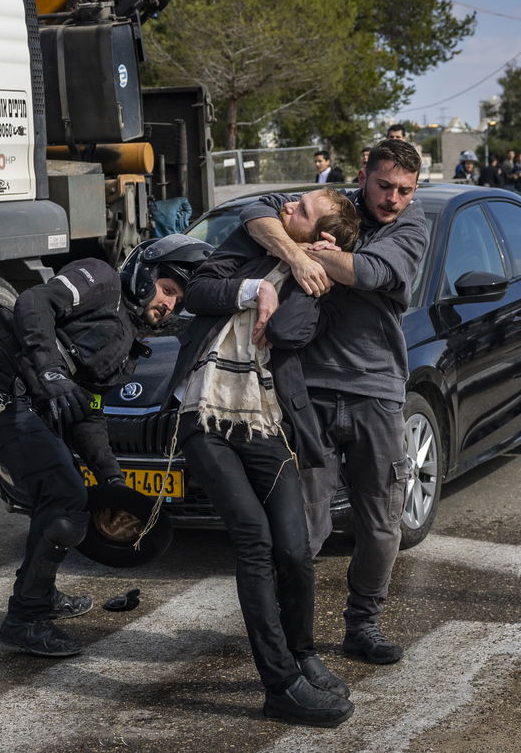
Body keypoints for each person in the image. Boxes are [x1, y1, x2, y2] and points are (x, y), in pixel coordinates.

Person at [0, 234, 210, 657]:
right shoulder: (100, 279)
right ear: (144, 276)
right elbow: (33, 303)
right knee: (65, 495)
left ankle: (38, 595)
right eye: (168, 290)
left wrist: (115, 484)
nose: (170, 304)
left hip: (16, 401)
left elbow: (89, 414)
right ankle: (26, 619)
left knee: (62, 495)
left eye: (178, 300)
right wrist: (50, 370)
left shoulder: (126, 347)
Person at [166, 190, 359, 727]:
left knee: (295, 551)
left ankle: (303, 655)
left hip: (263, 418)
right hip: (202, 416)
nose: (290, 206)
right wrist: (255, 287)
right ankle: (280, 686)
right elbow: (196, 291)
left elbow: (290, 332)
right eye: (296, 200)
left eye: (302, 209)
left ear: (319, 237)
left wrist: (301, 274)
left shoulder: (314, 284)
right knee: (254, 540)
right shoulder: (249, 243)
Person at [239, 138, 429, 667]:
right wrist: (299, 255)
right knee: (305, 520)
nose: (393, 199)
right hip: (310, 391)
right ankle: (286, 632)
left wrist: (324, 256)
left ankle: (363, 624)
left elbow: (371, 273)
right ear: (364, 172)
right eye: (385, 185)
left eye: (405, 191)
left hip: (377, 390)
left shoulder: (411, 226)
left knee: (381, 518)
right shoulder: (331, 204)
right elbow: (255, 213)